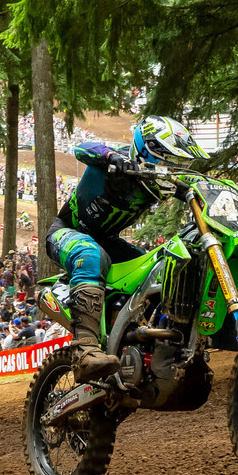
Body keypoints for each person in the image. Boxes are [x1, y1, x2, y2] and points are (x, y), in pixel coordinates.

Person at [43, 117, 204, 383]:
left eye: (179, 163)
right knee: (90, 254)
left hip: (108, 241)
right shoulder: (116, 161)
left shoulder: (159, 180)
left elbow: (199, 185)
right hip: (66, 233)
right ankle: (85, 350)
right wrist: (112, 157)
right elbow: (83, 148)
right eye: (169, 160)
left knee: (156, 268)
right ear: (147, 151)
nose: (173, 169)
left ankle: (151, 348)